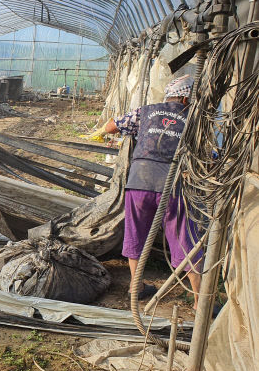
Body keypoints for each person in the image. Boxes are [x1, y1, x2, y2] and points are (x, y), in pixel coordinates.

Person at [86, 74, 203, 306]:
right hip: (171, 185)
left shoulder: (146, 111)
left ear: (170, 94)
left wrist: (100, 133)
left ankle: (136, 287)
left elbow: (111, 127)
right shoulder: (194, 118)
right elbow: (207, 153)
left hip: (139, 182)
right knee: (184, 239)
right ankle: (201, 301)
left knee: (136, 234)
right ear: (187, 98)